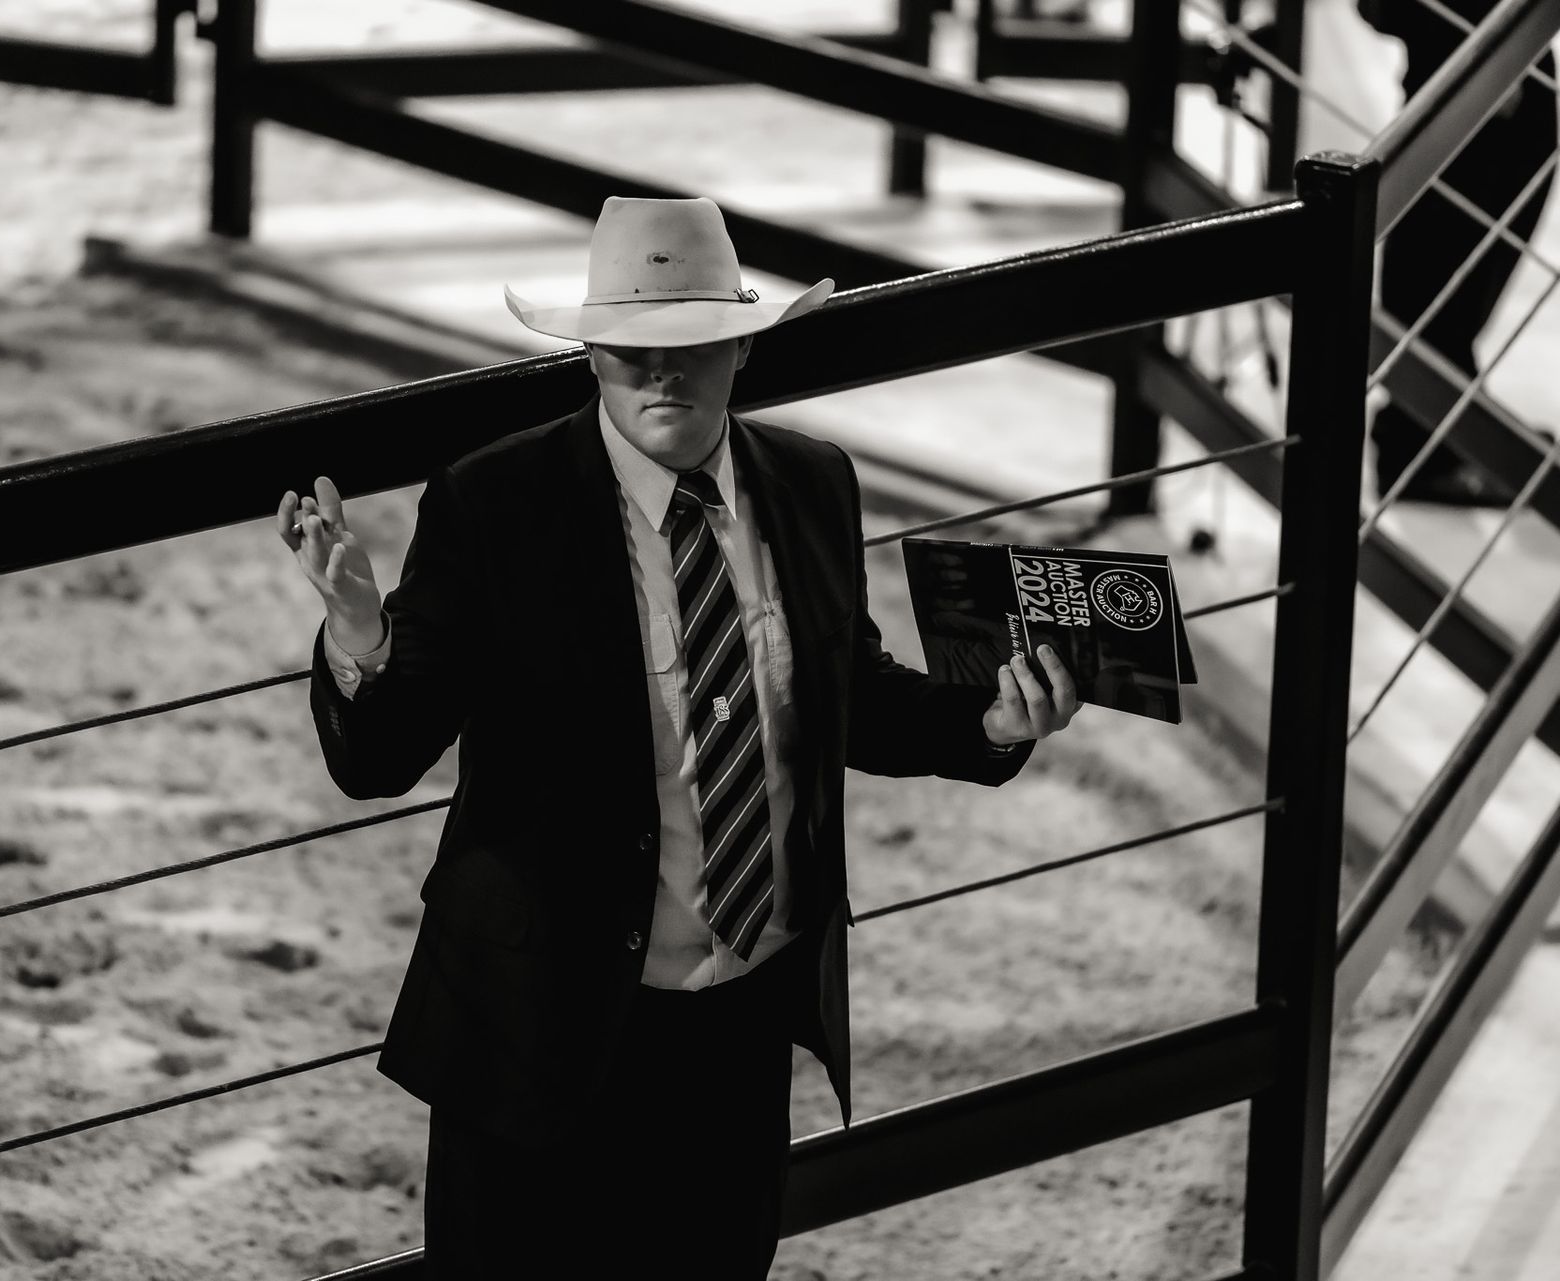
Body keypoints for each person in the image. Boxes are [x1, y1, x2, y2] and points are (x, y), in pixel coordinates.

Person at [275, 196, 1079, 1278]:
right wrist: (359, 634)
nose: (662, 374)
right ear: (588, 354)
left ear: (744, 345)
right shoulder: (494, 502)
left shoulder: (811, 482)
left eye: (692, 345)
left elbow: (852, 694)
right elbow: (376, 760)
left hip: (738, 1030)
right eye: (631, 349)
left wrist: (985, 720)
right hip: (541, 1029)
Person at [1359, 0, 1558, 505]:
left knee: (1467, 253)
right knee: (1443, 248)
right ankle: (1419, 442)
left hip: (1494, 46)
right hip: (1465, 49)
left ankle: (1450, 421)